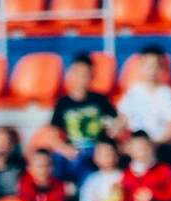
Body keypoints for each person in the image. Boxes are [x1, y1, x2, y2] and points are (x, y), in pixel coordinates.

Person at [49, 53, 120, 183]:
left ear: (92, 76)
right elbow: (54, 133)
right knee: (59, 160)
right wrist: (65, 149)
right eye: (78, 73)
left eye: (86, 74)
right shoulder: (63, 103)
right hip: (73, 150)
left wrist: (113, 131)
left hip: (97, 149)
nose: (82, 78)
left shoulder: (100, 100)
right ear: (70, 75)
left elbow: (116, 122)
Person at [116, 46, 171, 147]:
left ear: (163, 69)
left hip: (159, 146)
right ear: (141, 67)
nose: (152, 70)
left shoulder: (168, 95)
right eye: (148, 66)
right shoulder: (133, 92)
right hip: (135, 146)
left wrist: (151, 146)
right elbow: (122, 121)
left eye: (156, 66)